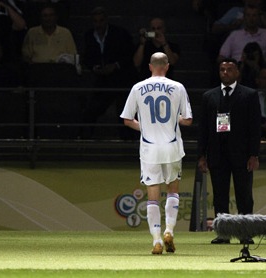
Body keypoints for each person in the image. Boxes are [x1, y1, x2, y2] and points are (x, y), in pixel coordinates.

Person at [120, 52, 193, 255]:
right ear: (167, 67)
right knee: (173, 191)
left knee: (153, 196)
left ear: (150, 66)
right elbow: (187, 120)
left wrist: (146, 128)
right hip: (172, 147)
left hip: (149, 148)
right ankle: (169, 231)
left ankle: (156, 241)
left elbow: (127, 119)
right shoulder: (178, 87)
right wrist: (174, 119)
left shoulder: (138, 88)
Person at [197, 58, 261, 244]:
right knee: (220, 196)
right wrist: (202, 155)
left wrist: (254, 154)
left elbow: (255, 127)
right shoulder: (209, 96)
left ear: (237, 73)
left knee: (244, 196)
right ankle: (223, 233)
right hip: (217, 154)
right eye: (222, 69)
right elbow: (203, 129)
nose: (225, 72)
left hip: (242, 154)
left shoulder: (249, 95)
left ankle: (245, 233)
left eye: (229, 69)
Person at [81, 6, 137, 139]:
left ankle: (127, 142)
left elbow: (129, 54)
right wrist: (94, 67)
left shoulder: (120, 34)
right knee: (92, 110)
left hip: (121, 79)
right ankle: (86, 140)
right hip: (102, 80)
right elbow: (87, 56)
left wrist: (115, 66)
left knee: (124, 113)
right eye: (95, 21)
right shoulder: (89, 36)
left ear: (106, 20)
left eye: (101, 21)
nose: (98, 24)